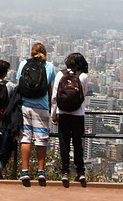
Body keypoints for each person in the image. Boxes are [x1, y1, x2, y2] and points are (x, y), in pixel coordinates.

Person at [16, 43, 56, 185]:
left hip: (25, 105)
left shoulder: (23, 64)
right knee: (41, 140)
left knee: (25, 138)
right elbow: (49, 88)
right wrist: (50, 108)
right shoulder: (49, 66)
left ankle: (25, 171)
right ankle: (41, 171)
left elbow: (20, 84)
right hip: (42, 106)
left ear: (31, 52)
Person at [51, 53, 89, 185]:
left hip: (63, 113)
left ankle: (65, 172)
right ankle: (80, 172)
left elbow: (55, 97)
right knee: (78, 143)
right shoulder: (83, 76)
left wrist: (54, 115)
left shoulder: (60, 74)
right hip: (78, 114)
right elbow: (83, 95)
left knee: (64, 143)